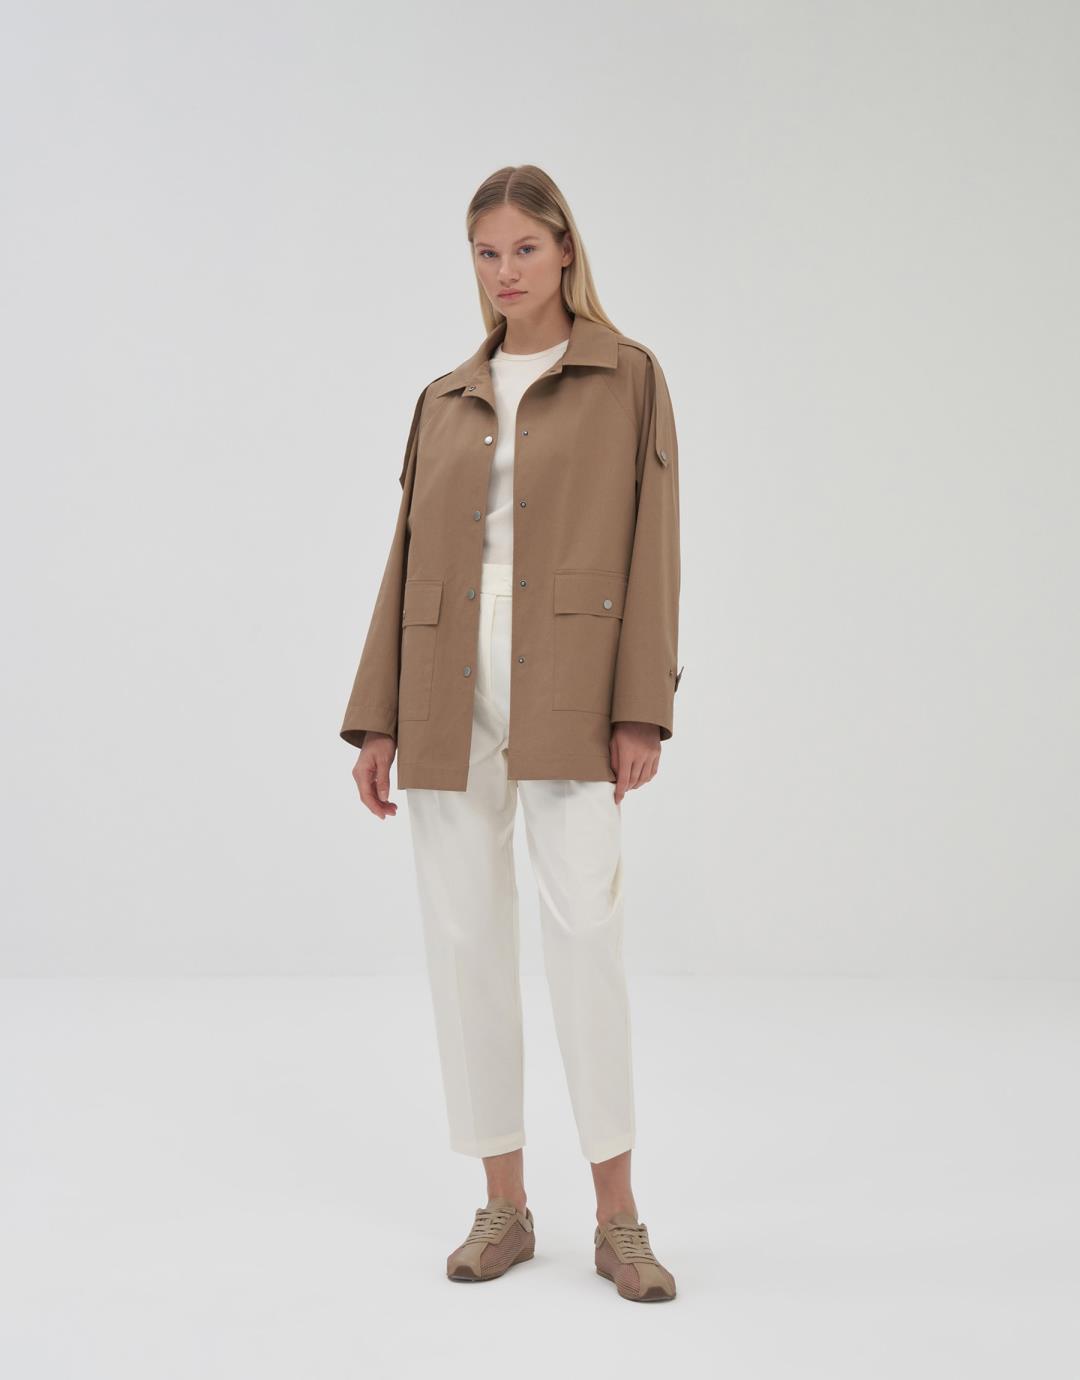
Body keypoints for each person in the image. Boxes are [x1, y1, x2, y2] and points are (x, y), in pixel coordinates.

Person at [340, 165, 682, 1303]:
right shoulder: (445, 395)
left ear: (565, 249)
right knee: (463, 938)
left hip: (571, 677)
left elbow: (656, 543)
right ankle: (504, 1203)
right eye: (486, 254)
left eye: (524, 249)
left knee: (586, 930)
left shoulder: (628, 377)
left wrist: (641, 706)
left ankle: (619, 1218)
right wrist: (377, 717)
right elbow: (405, 558)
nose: (505, 272)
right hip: (443, 685)